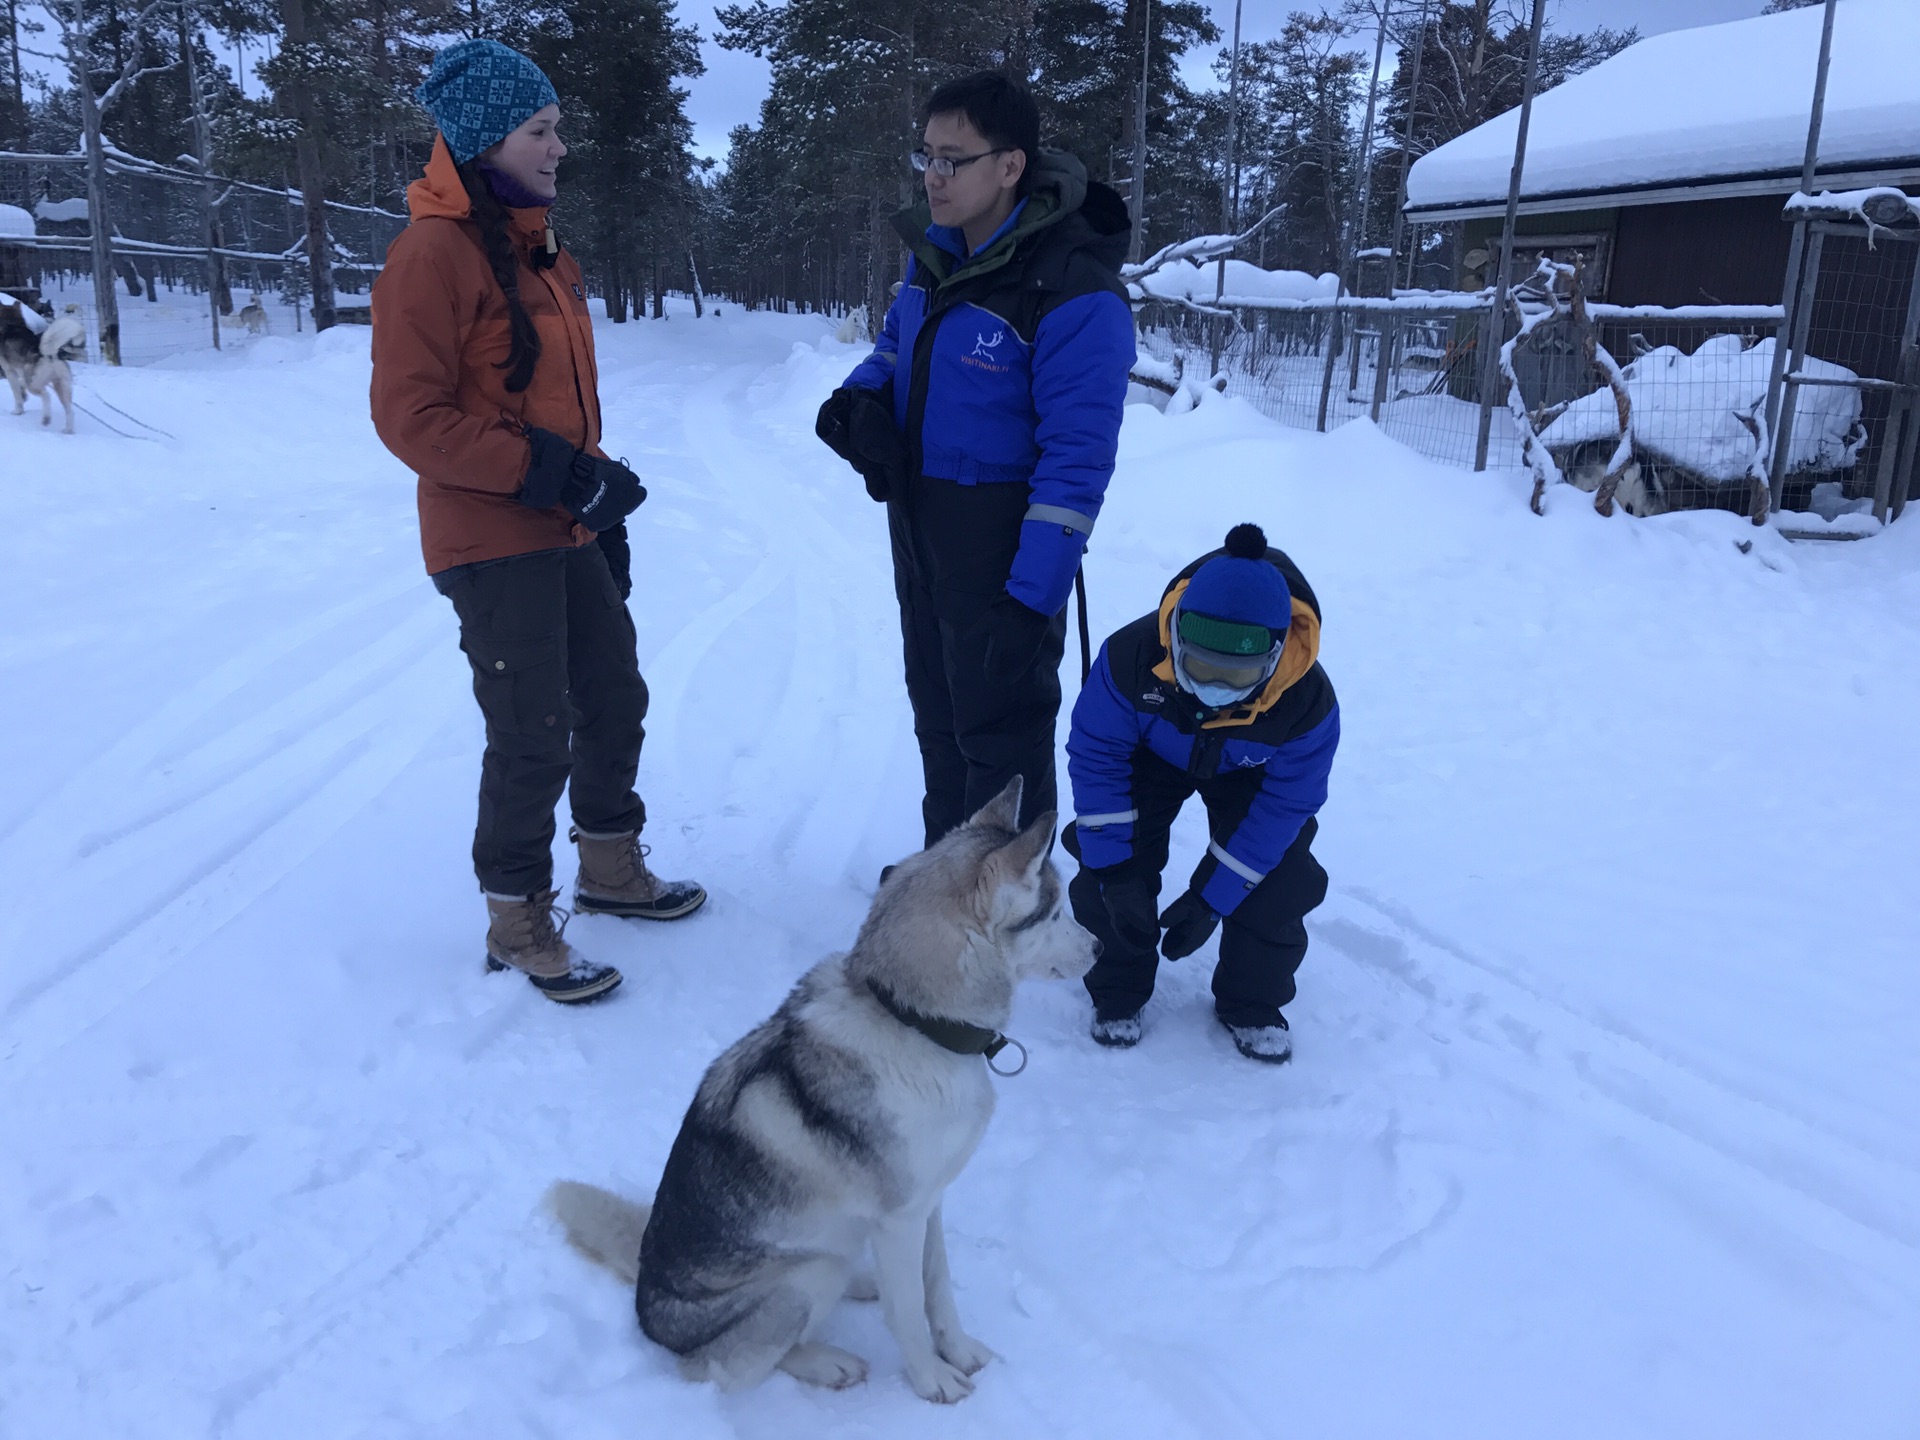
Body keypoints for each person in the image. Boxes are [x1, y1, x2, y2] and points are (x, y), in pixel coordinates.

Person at [371, 39, 704, 1005]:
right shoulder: (431, 253)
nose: (560, 147)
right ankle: (517, 918)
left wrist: (594, 492)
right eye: (540, 130)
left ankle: (609, 867)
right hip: (489, 533)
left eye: (558, 127)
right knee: (534, 726)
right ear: (486, 141)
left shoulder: (538, 244)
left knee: (614, 693)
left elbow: (550, 400)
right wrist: (551, 472)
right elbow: (412, 417)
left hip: (561, 520)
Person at [816, 72, 1135, 849]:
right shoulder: (934, 258)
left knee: (1002, 737)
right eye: (926, 155)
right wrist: (858, 401)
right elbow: (895, 349)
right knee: (939, 716)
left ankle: (1005, 914)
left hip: (1003, 541)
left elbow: (1076, 463)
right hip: (921, 525)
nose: (933, 174)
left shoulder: (1072, 289)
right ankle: (945, 884)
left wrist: (1031, 601)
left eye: (953, 159)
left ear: (1011, 166)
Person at [1063, 524, 1339, 1063]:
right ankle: (1117, 987)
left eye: (1237, 677)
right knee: (1110, 862)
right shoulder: (1129, 658)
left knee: (1282, 876)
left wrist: (1215, 897)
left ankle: (1252, 1002)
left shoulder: (1307, 702)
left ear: (1275, 656)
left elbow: (1287, 804)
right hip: (1152, 755)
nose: (1215, 690)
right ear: (1178, 637)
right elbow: (1097, 757)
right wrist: (1117, 874)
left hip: (1247, 768)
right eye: (1201, 668)